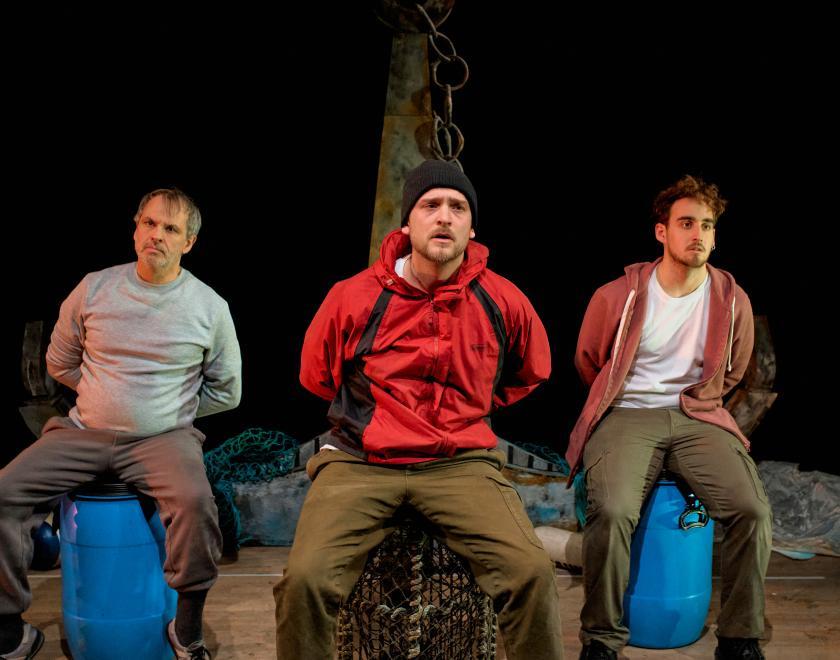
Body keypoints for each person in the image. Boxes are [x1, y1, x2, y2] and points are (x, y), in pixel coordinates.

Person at [274, 159, 564, 659]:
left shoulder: (502, 300)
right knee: (304, 581)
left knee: (532, 574)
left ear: (473, 226)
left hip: (461, 463)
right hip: (362, 462)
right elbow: (315, 375)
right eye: (431, 206)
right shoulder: (354, 296)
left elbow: (532, 369)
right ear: (408, 222)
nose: (445, 217)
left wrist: (471, 412)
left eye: (458, 207)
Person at [0, 188, 242, 660]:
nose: (157, 235)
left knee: (195, 501)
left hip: (162, 440)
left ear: (188, 243)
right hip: (84, 432)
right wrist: (102, 396)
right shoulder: (94, 287)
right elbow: (59, 362)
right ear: (135, 228)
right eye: (149, 224)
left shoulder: (208, 306)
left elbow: (227, 391)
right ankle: (10, 629)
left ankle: (186, 627)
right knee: (4, 490)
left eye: (170, 229)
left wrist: (166, 412)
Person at [568, 175, 771, 660]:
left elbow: (737, 369)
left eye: (707, 225)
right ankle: (601, 639)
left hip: (697, 415)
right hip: (629, 413)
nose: (697, 234)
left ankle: (740, 637)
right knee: (613, 510)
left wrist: (702, 404)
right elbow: (590, 362)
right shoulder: (617, 295)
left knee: (753, 510)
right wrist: (623, 400)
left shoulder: (731, 299)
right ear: (662, 232)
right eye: (686, 223)